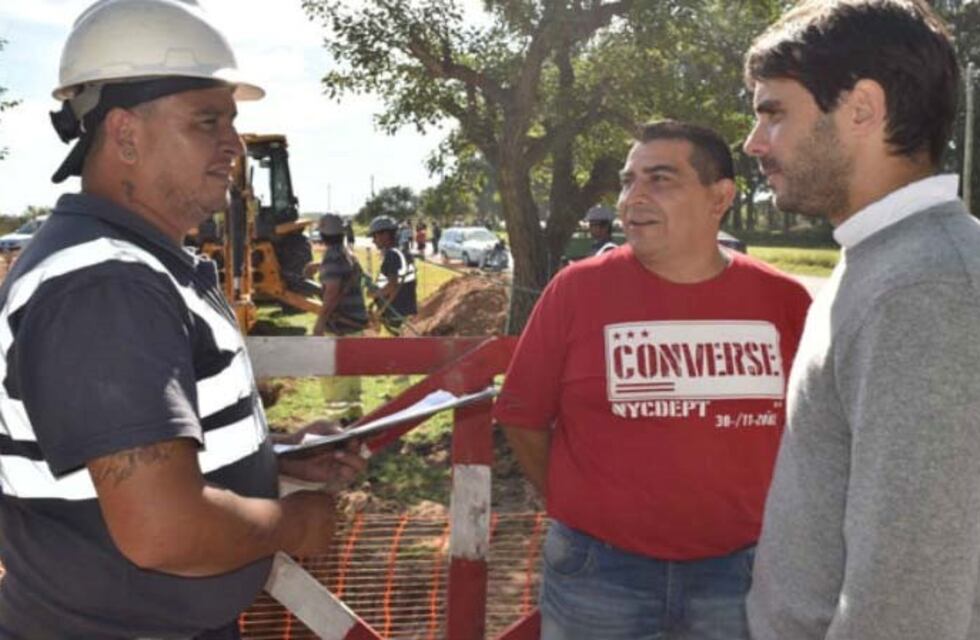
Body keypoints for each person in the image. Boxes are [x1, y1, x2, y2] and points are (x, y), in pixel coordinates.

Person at [0, 1, 365, 637]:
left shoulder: (139, 267)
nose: (234, 145)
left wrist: (273, 456)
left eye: (232, 121)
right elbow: (163, 530)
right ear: (125, 136)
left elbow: (123, 463)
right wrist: (297, 522)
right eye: (207, 121)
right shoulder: (106, 285)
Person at [494, 120, 811, 640]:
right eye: (627, 180)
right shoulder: (577, 290)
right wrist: (576, 506)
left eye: (659, 179)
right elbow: (521, 416)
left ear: (720, 197)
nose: (632, 198)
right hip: (598, 575)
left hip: (743, 575)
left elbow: (811, 435)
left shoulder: (784, 301)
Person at [742, 2, 979, 638]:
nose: (754, 142)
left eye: (774, 113)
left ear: (862, 108)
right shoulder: (881, 262)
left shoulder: (924, 287)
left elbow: (912, 601)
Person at [313, 213, 368, 423]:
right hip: (354, 325)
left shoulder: (331, 258)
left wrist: (319, 323)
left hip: (339, 326)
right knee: (352, 375)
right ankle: (354, 418)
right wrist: (318, 268)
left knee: (334, 378)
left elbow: (332, 292)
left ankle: (338, 423)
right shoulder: (348, 254)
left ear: (323, 235)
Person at [368, 215, 418, 334]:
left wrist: (373, 294)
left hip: (396, 314)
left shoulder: (392, 255)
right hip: (403, 312)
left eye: (375, 235)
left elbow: (392, 286)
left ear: (385, 235)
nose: (373, 240)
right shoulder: (401, 252)